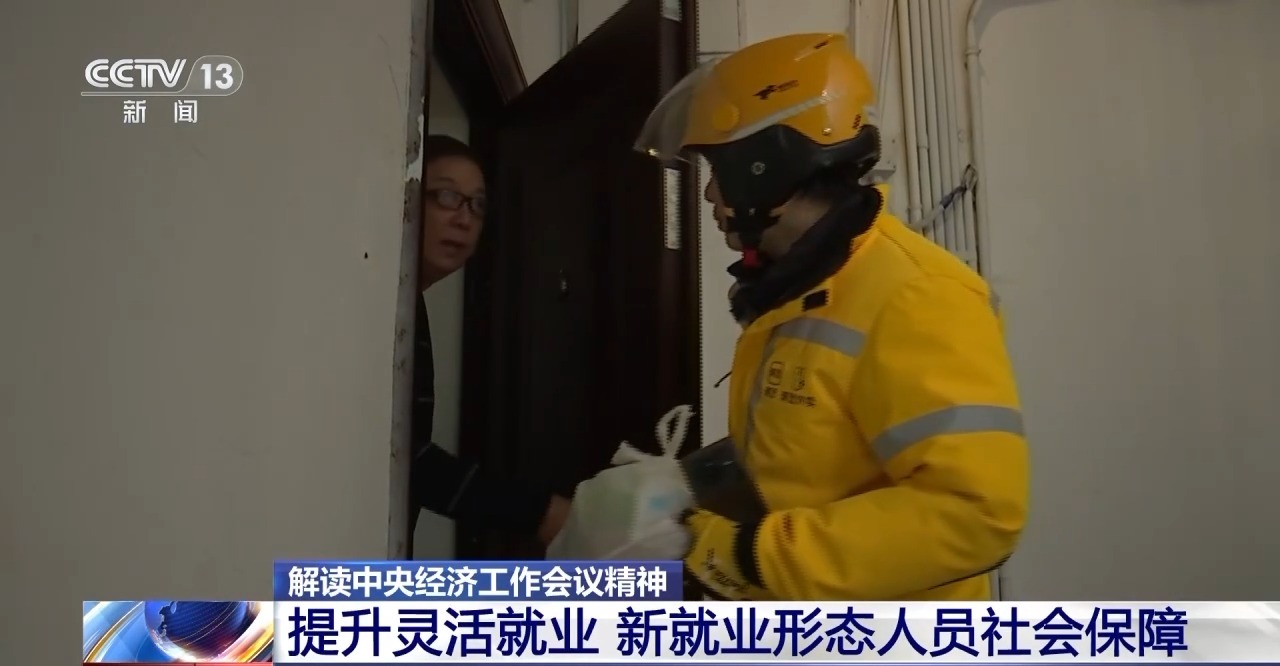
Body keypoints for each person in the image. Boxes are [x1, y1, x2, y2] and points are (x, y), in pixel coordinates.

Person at [632, 33, 1029, 600]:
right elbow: (803, 451)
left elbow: (975, 516)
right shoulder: (806, 289)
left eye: (717, 170)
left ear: (764, 163)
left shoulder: (916, 294)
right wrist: (682, 490)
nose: (710, 195)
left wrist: (742, 554)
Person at [407, 135, 570, 556]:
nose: (464, 219)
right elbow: (403, 457)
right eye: (447, 197)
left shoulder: (408, 306)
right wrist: (541, 513)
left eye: (478, 205)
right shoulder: (374, 307)